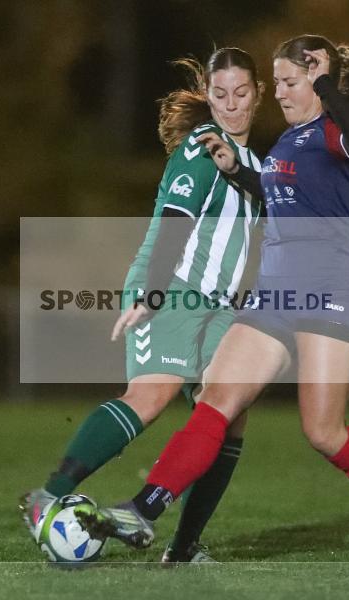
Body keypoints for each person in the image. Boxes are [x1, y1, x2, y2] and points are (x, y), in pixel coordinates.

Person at [78, 35, 349, 569]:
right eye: (280, 83)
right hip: (276, 291)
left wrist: (322, 85)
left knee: (323, 432)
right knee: (215, 402)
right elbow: (277, 196)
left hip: (333, 289)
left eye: (292, 82)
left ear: (318, 78)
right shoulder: (288, 143)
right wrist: (234, 167)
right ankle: (144, 509)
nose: (282, 93)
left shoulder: (336, 131)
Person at [20, 47, 266, 563]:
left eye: (241, 93)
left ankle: (182, 548)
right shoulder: (203, 147)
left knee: (229, 415)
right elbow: (176, 221)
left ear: (258, 94)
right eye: (220, 94)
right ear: (209, 96)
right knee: (153, 396)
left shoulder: (253, 165)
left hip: (220, 305)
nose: (230, 104)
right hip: (172, 285)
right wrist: (151, 293)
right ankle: (48, 496)